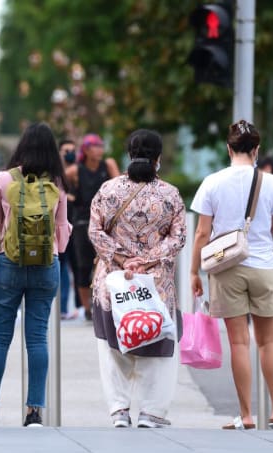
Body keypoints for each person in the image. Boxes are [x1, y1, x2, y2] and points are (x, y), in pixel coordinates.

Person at [190, 120, 273, 431]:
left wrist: (193, 271)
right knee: (267, 343)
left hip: (226, 270)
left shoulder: (212, 182)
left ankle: (247, 415)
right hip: (263, 266)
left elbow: (201, 232)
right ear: (256, 150)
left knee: (239, 343)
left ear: (228, 148)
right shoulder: (272, 182)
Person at [0, 122, 71, 428]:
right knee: (37, 338)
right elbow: (63, 238)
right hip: (45, 265)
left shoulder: (4, 179)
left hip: (9, 264)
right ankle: (34, 413)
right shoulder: (57, 182)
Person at [89, 129, 186, 428]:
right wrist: (146, 261)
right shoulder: (170, 195)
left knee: (113, 348)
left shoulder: (108, 190)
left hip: (113, 282)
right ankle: (152, 412)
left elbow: (95, 231)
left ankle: (119, 410)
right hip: (156, 286)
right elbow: (179, 237)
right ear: (158, 159)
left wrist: (121, 258)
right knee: (157, 349)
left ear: (129, 154)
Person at [65, 134, 119, 320]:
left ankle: (105, 303)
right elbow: (57, 187)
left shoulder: (108, 165)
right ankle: (87, 309)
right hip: (82, 222)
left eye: (101, 146)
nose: (99, 150)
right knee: (83, 266)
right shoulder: (75, 171)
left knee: (108, 262)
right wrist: (69, 196)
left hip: (105, 223)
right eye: (95, 146)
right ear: (86, 150)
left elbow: (121, 187)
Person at [58, 139, 82, 319]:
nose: (70, 154)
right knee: (62, 268)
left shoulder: (80, 172)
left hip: (78, 225)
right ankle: (63, 307)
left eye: (73, 150)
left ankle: (81, 306)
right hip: (61, 226)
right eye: (66, 151)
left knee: (79, 267)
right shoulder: (57, 174)